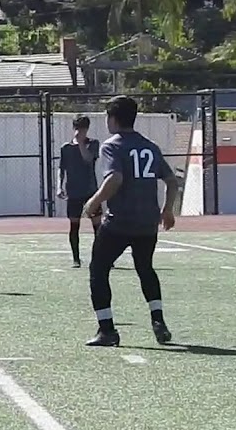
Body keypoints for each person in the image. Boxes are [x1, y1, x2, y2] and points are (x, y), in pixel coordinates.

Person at [82, 95, 179, 348]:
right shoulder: (150, 146)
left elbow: (114, 178)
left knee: (98, 270)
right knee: (145, 268)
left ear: (112, 119)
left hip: (120, 221)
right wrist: (167, 210)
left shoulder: (112, 145)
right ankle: (158, 321)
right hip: (147, 222)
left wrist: (93, 202)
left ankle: (107, 330)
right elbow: (171, 180)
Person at [58, 116, 102, 268]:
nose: (79, 131)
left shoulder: (93, 144)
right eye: (77, 128)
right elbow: (61, 168)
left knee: (97, 225)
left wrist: (81, 143)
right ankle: (76, 259)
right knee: (74, 225)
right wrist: (59, 186)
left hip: (90, 191)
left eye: (83, 128)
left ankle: (101, 257)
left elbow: (88, 159)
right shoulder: (66, 148)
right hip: (74, 191)